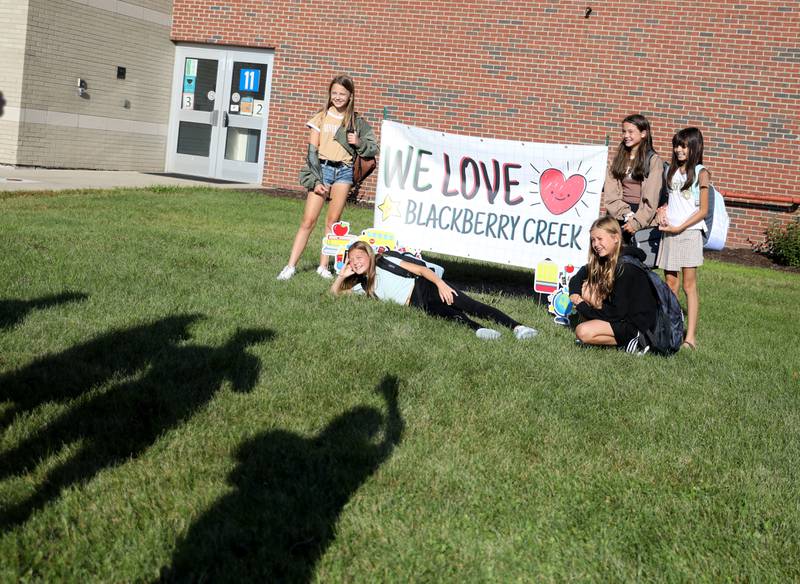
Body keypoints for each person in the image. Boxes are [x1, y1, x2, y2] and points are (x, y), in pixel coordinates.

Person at [277, 75, 378, 281]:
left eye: (342, 94)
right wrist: (317, 180)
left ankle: (323, 267)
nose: (338, 97)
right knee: (308, 221)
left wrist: (358, 142)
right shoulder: (321, 117)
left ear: (350, 96)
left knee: (333, 222)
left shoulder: (355, 121)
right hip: (322, 170)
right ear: (329, 94)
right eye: (334, 93)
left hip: (344, 172)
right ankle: (290, 266)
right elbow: (312, 152)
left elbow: (373, 148)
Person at [330, 241, 538, 340]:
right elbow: (334, 295)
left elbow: (421, 270)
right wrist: (342, 275)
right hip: (415, 304)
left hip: (425, 286)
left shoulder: (385, 261)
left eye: (359, 258)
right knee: (449, 314)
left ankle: (518, 327)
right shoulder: (363, 286)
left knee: (471, 305)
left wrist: (441, 284)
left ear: (369, 255)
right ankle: (480, 331)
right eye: (352, 260)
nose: (356, 263)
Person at [569, 216, 658, 353]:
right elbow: (579, 275)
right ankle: (628, 342)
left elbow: (615, 314)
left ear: (616, 238)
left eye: (600, 239)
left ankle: (638, 340)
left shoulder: (626, 267)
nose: (595, 244)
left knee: (582, 331)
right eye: (593, 240)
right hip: (622, 317)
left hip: (638, 324)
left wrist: (582, 305)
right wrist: (574, 293)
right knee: (585, 287)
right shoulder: (606, 258)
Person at [655, 128, 710, 350]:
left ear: (694, 147)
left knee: (689, 285)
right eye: (676, 145)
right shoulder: (671, 171)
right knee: (670, 284)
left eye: (684, 145)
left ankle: (690, 337)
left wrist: (680, 227)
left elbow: (703, 210)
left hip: (689, 233)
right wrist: (663, 211)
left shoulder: (701, 173)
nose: (678, 149)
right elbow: (674, 200)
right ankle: (672, 328)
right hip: (670, 232)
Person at [603, 114, 664, 243]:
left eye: (631, 131)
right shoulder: (617, 158)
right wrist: (626, 214)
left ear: (643, 133)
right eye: (624, 131)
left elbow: (652, 198)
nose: (626, 135)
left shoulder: (653, 160)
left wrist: (636, 222)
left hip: (643, 216)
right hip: (619, 213)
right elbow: (610, 194)